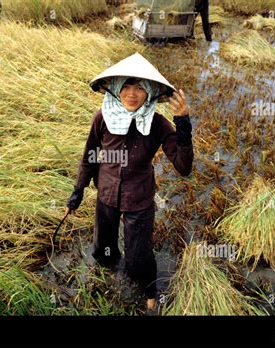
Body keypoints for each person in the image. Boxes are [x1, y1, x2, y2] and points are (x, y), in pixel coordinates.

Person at [65, 53, 194, 313]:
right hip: (107, 194)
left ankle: (149, 292)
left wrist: (183, 123)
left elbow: (183, 168)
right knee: (103, 248)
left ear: (150, 93)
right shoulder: (102, 117)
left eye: (139, 87)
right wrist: (76, 194)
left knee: (139, 256)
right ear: (115, 88)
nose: (131, 94)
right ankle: (110, 275)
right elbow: (89, 157)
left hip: (139, 198)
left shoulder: (158, 124)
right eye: (125, 85)